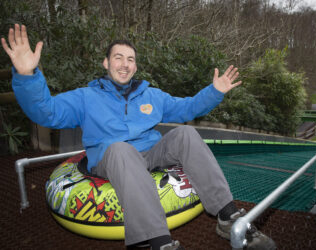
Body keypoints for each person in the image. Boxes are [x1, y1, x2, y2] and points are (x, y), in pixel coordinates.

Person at [2, 24, 276, 250]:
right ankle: (156, 243)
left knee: (185, 133)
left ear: (135, 66)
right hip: (112, 159)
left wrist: (214, 91)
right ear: (106, 62)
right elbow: (46, 113)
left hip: (149, 154)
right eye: (118, 58)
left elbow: (187, 109)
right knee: (121, 149)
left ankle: (228, 218)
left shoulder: (151, 94)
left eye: (130, 59)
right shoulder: (85, 97)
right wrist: (27, 76)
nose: (125, 64)